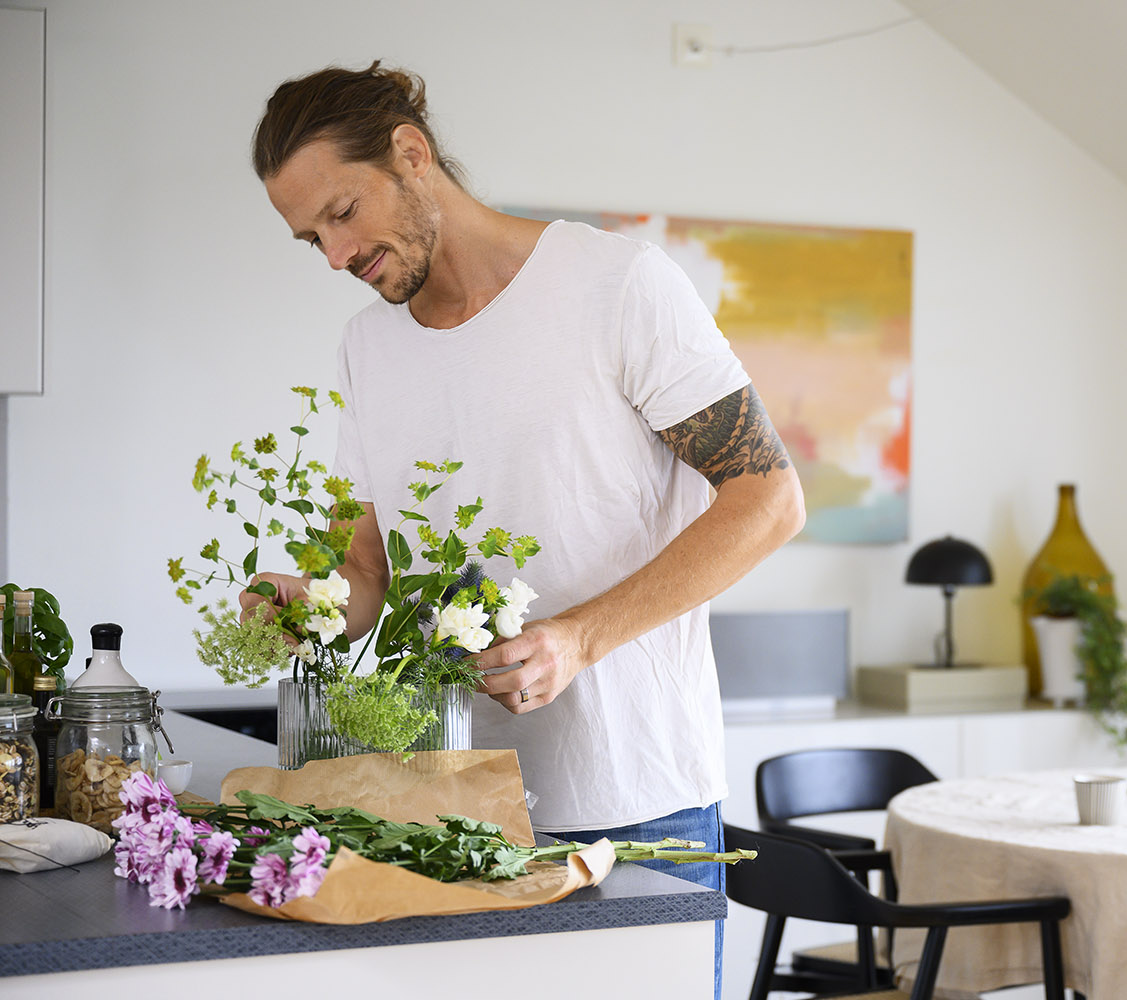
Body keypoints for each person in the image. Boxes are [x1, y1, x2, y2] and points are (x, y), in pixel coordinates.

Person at [244, 61, 805, 995]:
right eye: (312, 240)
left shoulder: (616, 285)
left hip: (634, 804)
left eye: (342, 214)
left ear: (410, 155)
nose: (336, 256)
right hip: (454, 809)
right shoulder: (368, 345)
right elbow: (366, 571)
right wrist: (312, 605)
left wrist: (576, 640)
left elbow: (768, 499)